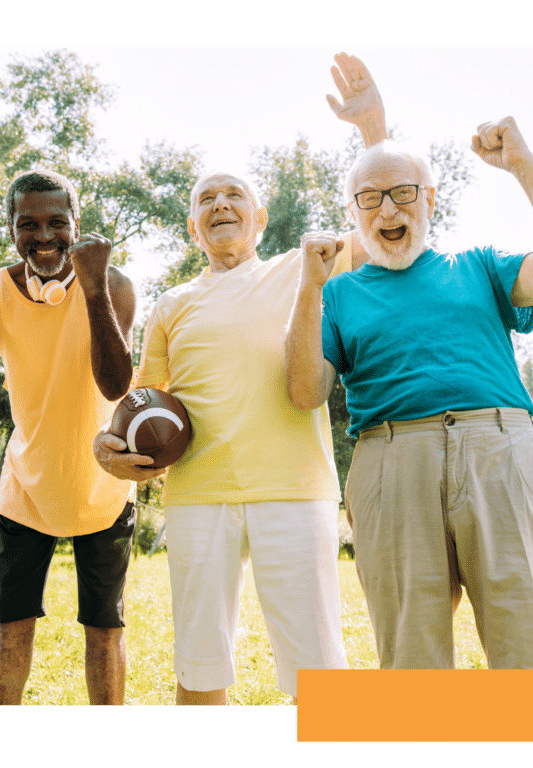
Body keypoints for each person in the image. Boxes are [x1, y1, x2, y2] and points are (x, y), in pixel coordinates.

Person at [91, 54, 388, 705]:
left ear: (258, 220)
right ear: (193, 227)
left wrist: (373, 130)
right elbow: (142, 403)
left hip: (296, 491)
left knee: (317, 672)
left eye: (236, 196)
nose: (220, 203)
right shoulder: (171, 305)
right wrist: (110, 449)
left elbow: (382, 226)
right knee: (200, 669)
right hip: (199, 498)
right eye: (206, 199)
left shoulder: (304, 266)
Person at [286, 82, 533, 668]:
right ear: (354, 213)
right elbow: (305, 391)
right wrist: (309, 287)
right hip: (392, 461)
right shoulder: (337, 296)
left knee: (532, 641)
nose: (388, 210)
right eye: (370, 199)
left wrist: (523, 165)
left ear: (431, 199)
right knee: (412, 656)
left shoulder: (481, 267)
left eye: (403, 193)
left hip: (500, 453)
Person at [0, 169, 137, 706]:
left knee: (105, 630)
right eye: (28, 224)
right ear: (11, 228)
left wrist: (90, 287)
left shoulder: (113, 285)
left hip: (103, 486)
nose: (44, 235)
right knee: (12, 624)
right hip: (26, 486)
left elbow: (114, 383)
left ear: (77, 225)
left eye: (57, 222)